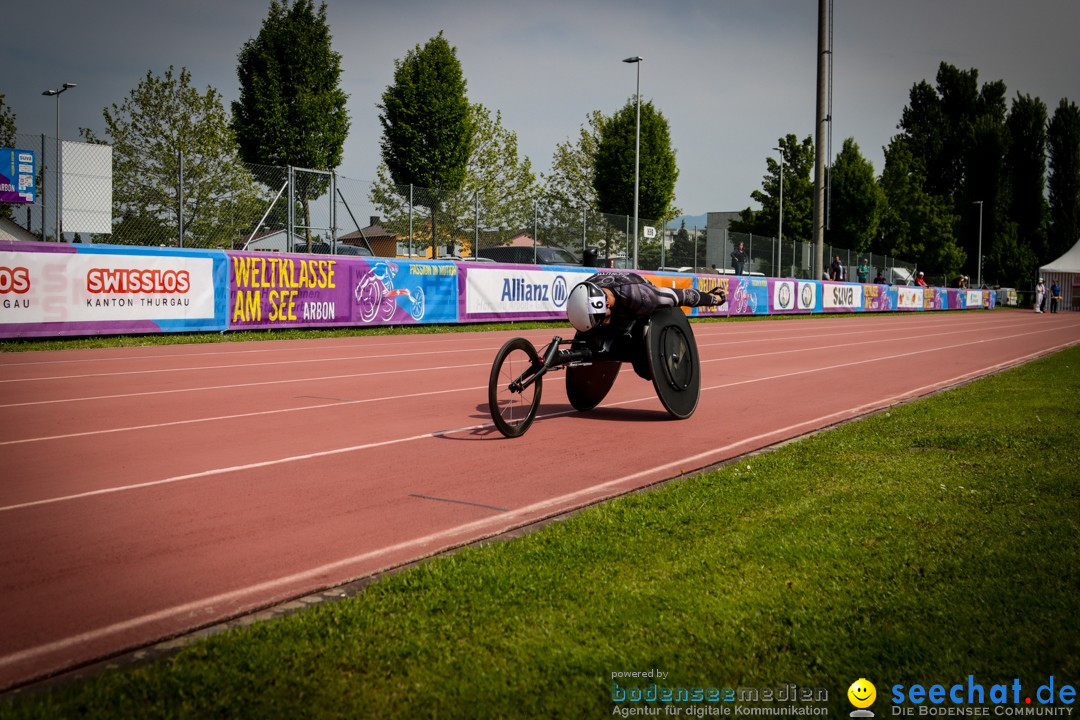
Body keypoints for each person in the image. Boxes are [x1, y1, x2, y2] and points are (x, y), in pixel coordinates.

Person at [566, 272, 726, 333]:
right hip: (616, 294)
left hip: (633, 301)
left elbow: (682, 296)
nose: (603, 323)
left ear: (606, 304)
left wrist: (713, 299)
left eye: (602, 319)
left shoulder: (642, 297)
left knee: (643, 369)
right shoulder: (585, 289)